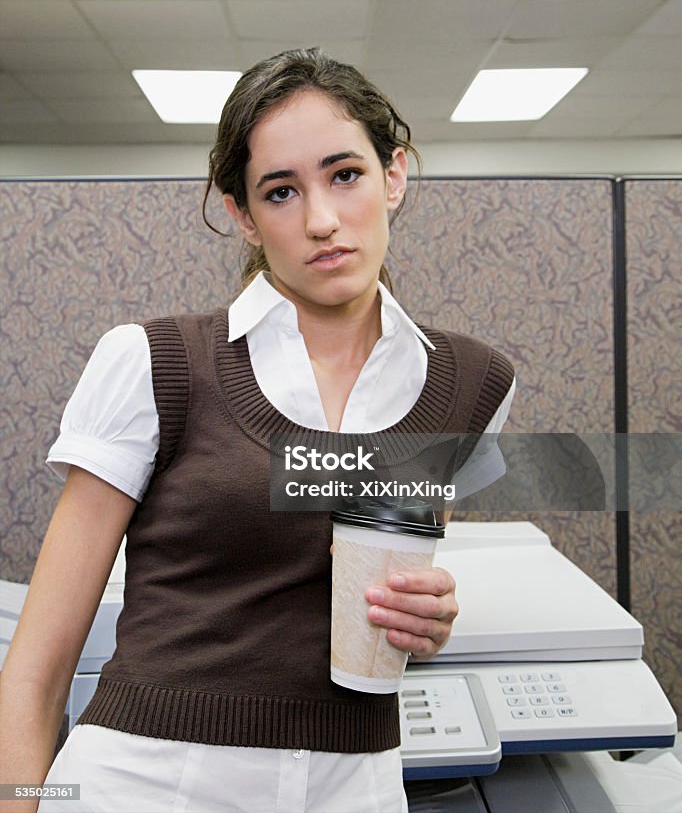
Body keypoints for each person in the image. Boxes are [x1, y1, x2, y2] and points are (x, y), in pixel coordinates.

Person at [0, 48, 515, 813]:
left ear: (395, 174)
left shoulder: (472, 383)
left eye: (346, 174)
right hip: (147, 782)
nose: (321, 220)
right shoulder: (156, 363)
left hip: (356, 785)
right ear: (243, 214)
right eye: (280, 191)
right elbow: (37, 673)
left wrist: (422, 620)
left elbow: (375, 585)